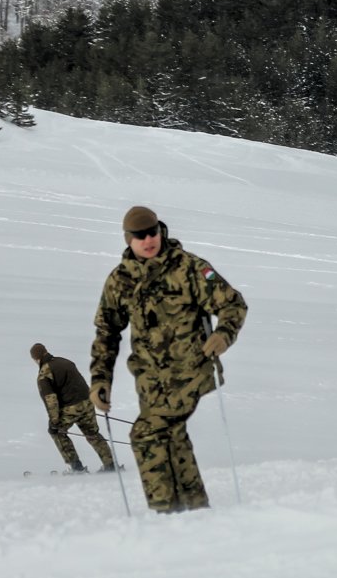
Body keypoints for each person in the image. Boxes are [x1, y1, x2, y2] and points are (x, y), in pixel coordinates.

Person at [89, 205, 248, 512]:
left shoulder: (189, 267)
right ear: (128, 239)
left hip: (191, 372)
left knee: (145, 434)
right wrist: (100, 379)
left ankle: (165, 515)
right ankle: (194, 511)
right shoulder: (120, 280)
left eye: (152, 232)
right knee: (172, 438)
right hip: (150, 381)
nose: (148, 240)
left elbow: (232, 304)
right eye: (140, 236)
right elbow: (106, 332)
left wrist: (223, 335)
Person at [30, 342, 115, 473]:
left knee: (57, 432)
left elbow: (50, 400)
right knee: (92, 434)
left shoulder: (44, 374)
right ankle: (110, 465)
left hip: (70, 407)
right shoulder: (65, 361)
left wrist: (54, 421)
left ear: (36, 359)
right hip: (88, 402)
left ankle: (76, 468)